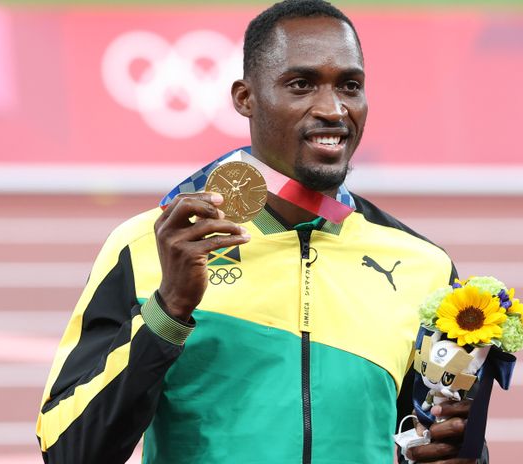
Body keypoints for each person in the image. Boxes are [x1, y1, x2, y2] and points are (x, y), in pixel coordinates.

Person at [36, 1, 486, 462]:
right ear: (245, 98)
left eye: (350, 86)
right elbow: (68, 450)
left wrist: (464, 453)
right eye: (301, 84)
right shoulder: (150, 248)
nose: (333, 109)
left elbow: (432, 434)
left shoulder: (423, 266)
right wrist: (169, 309)